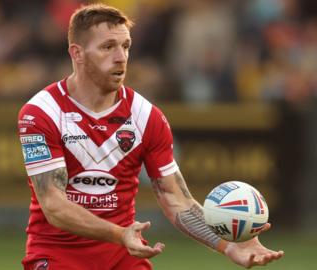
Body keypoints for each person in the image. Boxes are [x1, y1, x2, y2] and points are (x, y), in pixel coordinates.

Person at [17, 3, 284, 270]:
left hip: (124, 258)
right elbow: (54, 206)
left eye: (126, 46)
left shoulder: (146, 116)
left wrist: (230, 245)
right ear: (78, 54)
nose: (121, 57)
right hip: (58, 257)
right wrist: (119, 234)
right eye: (108, 47)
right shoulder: (42, 113)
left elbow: (176, 199)